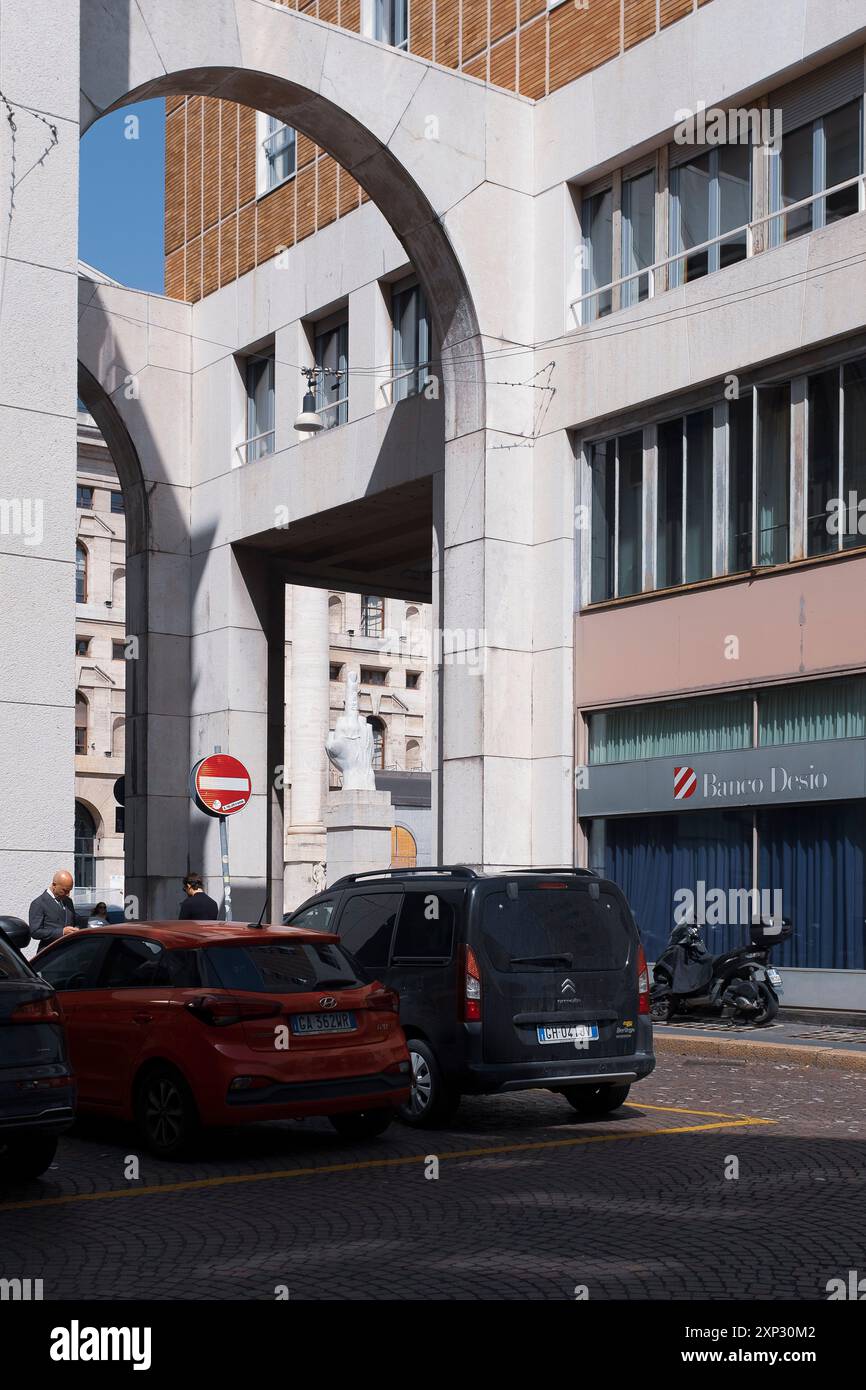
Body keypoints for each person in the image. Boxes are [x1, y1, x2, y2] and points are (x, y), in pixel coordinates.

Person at [29, 870, 77, 949]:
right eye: (65, 890)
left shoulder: (68, 901)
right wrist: (61, 932)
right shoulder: (39, 903)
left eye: (69, 891)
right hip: (50, 954)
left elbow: (74, 922)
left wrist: (76, 929)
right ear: (54, 885)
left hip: (68, 952)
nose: (68, 894)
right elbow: (35, 932)